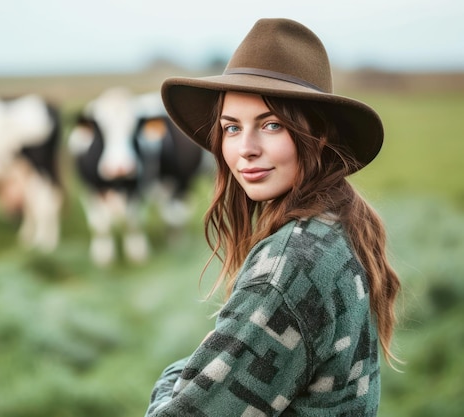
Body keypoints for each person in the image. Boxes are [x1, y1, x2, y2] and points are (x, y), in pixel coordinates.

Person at [144, 18, 401, 416]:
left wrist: (171, 382)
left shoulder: (288, 267)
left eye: (271, 124)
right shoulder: (335, 224)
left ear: (319, 136)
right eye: (231, 128)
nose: (245, 149)